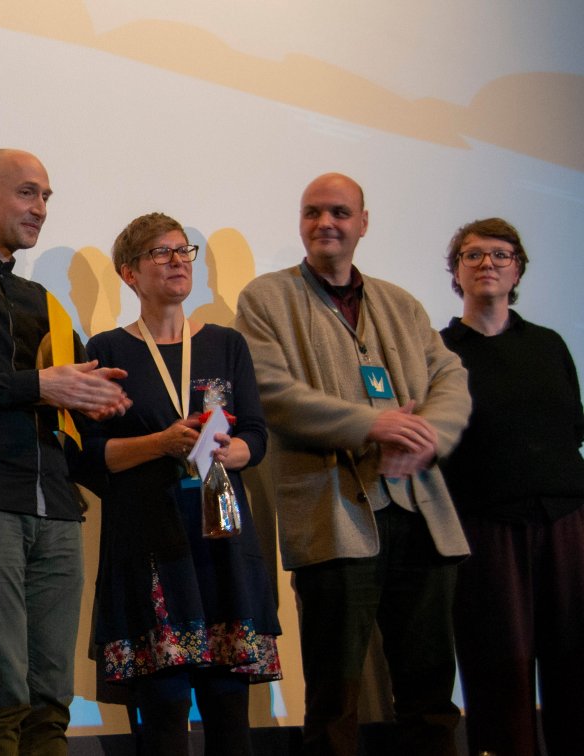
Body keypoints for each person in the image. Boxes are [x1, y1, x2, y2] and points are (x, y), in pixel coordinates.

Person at [234, 173, 471, 756]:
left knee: (430, 691)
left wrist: (423, 437)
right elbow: (271, 389)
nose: (325, 224)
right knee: (335, 697)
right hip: (333, 516)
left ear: (364, 223)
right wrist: (373, 423)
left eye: (339, 212)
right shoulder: (266, 298)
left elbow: (450, 377)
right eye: (312, 212)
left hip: (421, 511)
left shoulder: (401, 303)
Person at [0, 148, 129, 755]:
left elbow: (73, 402)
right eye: (27, 193)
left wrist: (98, 402)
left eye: (46, 197)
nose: (40, 208)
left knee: (51, 696)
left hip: (58, 508)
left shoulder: (44, 301)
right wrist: (39, 386)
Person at [84, 213, 282, 755]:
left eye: (183, 250)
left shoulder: (226, 344)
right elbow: (92, 457)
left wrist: (235, 451)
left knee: (228, 708)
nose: (177, 260)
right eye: (160, 252)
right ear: (129, 273)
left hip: (222, 543)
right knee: (166, 711)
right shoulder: (106, 351)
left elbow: (257, 435)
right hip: (151, 548)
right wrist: (161, 445)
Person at [439, 218, 584, 756]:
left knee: (576, 660)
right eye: (472, 256)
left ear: (517, 268)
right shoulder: (440, 352)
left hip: (567, 524)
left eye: (500, 255)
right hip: (486, 528)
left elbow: (572, 428)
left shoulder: (549, 345)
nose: (487, 265)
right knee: (501, 668)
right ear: (455, 272)